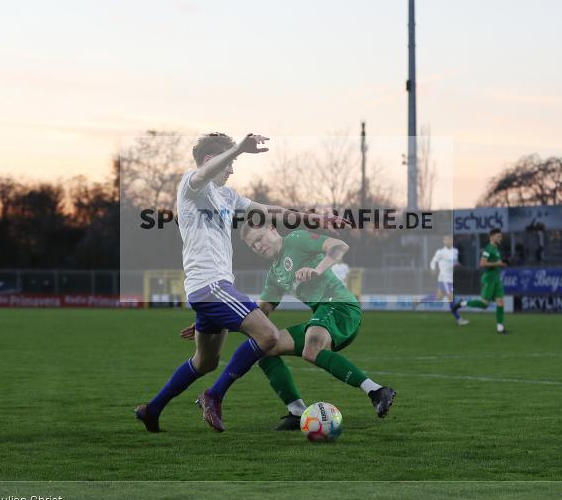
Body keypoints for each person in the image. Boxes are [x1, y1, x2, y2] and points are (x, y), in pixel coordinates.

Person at [135, 132, 343, 433]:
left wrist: (314, 219)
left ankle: (152, 410)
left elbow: (270, 212)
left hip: (210, 293)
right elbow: (203, 173)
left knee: (205, 362)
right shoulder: (192, 184)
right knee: (269, 337)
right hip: (212, 286)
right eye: (230, 163)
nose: (232, 170)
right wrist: (237, 149)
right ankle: (213, 395)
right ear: (211, 160)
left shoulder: (227, 196)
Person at [216, 223, 396, 429]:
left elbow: (339, 246)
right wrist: (218, 321)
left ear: (273, 229)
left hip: (339, 306)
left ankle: (376, 391)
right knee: (264, 348)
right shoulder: (275, 274)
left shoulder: (296, 240)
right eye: (252, 245)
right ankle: (297, 411)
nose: (257, 246)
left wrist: (317, 270)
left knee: (311, 350)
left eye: (259, 238)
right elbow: (259, 315)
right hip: (322, 315)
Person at [450, 228, 508, 334]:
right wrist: (498, 264)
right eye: (498, 236)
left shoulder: (495, 248)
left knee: (500, 302)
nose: (501, 238)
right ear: (492, 237)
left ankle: (500, 328)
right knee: (484, 304)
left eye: (501, 236)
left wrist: (499, 265)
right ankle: (463, 303)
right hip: (489, 278)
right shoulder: (488, 249)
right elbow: (482, 263)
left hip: (496, 278)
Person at [429, 235, 466, 325]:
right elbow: (433, 261)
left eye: (449, 240)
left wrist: (457, 264)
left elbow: (453, 262)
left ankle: (419, 300)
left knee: (439, 297)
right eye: (445, 240)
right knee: (451, 298)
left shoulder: (455, 251)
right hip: (443, 278)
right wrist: (433, 269)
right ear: (443, 242)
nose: (447, 241)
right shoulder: (440, 252)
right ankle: (459, 319)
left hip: (450, 279)